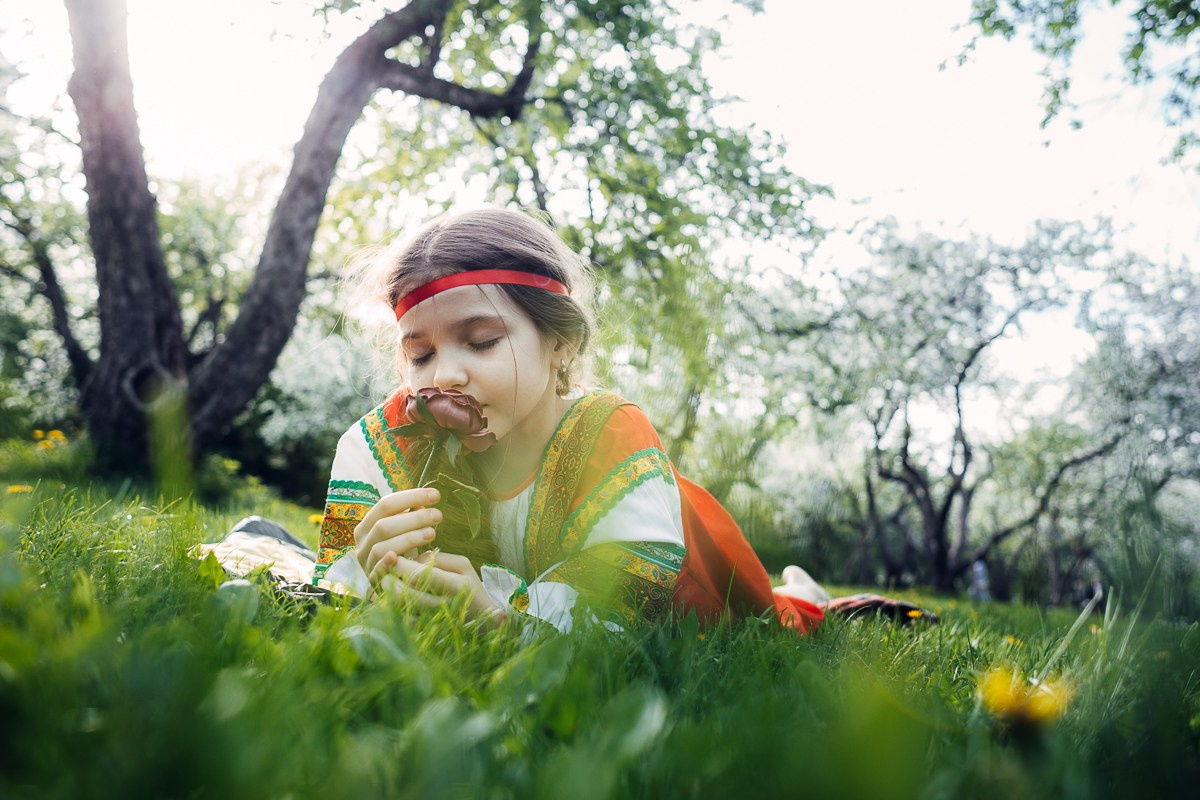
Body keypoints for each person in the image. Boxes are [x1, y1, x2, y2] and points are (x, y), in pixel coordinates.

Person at [314, 207, 829, 634]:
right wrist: (362, 567)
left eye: (482, 342)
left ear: (561, 343)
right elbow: (332, 587)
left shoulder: (611, 438)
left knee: (771, 618)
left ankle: (806, 596)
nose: (445, 375)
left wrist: (499, 623)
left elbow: (623, 616)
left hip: (688, 581)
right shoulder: (379, 443)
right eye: (421, 354)